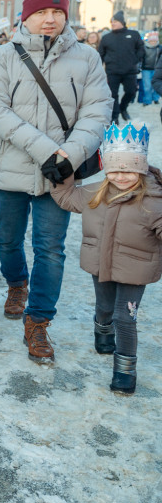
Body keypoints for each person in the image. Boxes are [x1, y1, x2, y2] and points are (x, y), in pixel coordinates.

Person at [0, 0, 112, 364]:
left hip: (61, 175)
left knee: (50, 249)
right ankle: (16, 283)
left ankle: (38, 321)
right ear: (27, 16)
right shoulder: (3, 57)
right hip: (10, 169)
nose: (50, 18)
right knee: (7, 239)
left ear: (66, 15)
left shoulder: (86, 57)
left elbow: (97, 110)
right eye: (41, 12)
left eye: (57, 12)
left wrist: (69, 155)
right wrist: (46, 150)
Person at [51, 122, 160, 394]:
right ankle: (102, 330)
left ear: (141, 168)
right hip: (100, 266)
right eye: (114, 170)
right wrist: (62, 174)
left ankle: (125, 369)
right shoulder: (94, 193)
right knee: (105, 307)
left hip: (136, 270)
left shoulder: (154, 201)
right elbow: (65, 198)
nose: (121, 176)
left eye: (129, 170)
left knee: (126, 318)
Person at [98, 12, 144, 122]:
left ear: (122, 22)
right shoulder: (106, 38)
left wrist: (135, 60)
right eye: (112, 22)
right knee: (113, 95)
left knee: (131, 92)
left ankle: (123, 108)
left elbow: (141, 49)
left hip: (130, 71)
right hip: (112, 71)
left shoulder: (133, 34)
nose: (113, 23)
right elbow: (100, 54)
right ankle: (115, 117)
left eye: (115, 21)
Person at [139, 30, 159, 105]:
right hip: (146, 69)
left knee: (156, 85)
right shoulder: (144, 48)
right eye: (152, 40)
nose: (153, 42)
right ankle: (147, 100)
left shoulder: (159, 48)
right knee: (147, 86)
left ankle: (155, 98)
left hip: (156, 69)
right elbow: (141, 58)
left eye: (154, 41)